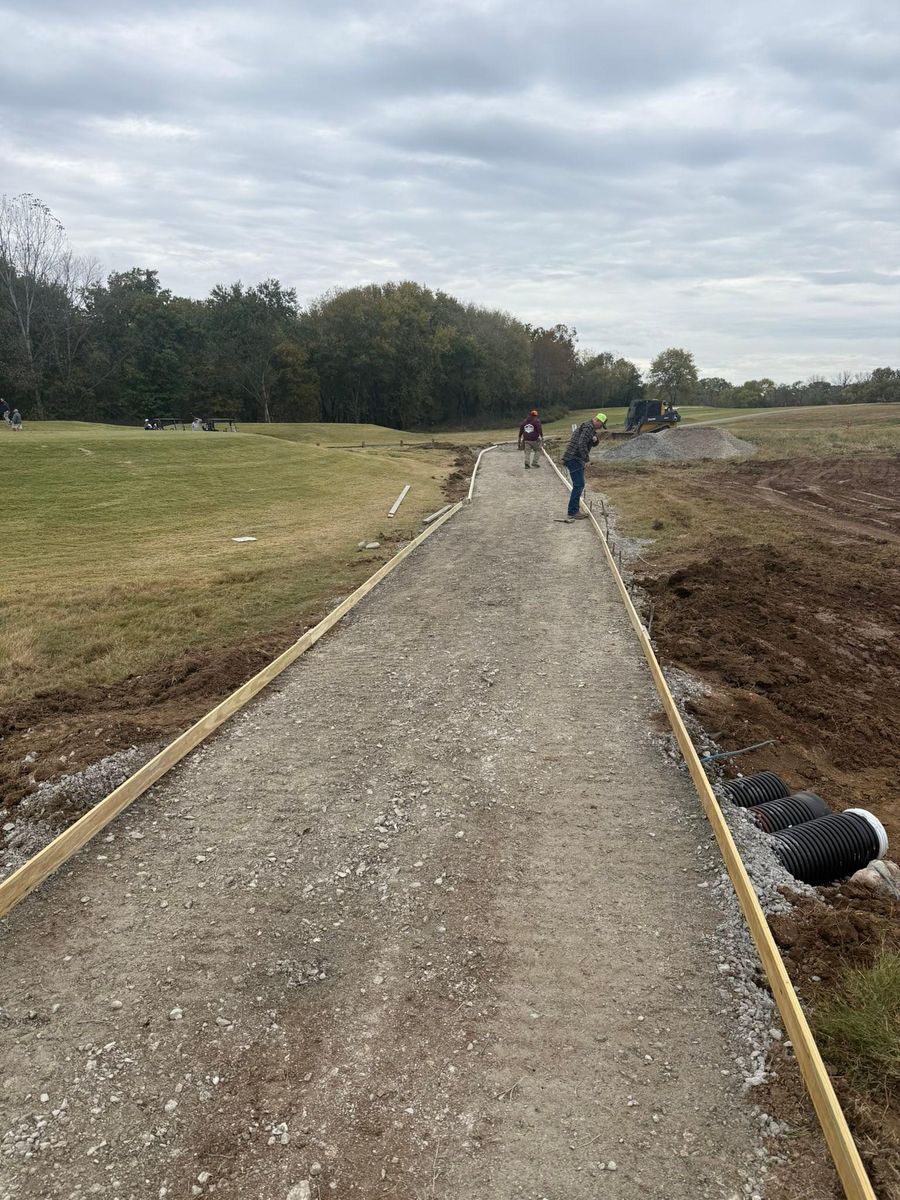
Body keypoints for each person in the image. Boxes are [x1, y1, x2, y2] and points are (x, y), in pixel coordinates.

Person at [562, 412, 606, 522]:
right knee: (579, 484)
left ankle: (573, 510)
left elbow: (588, 442)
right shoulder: (588, 428)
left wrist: (595, 440)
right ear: (597, 421)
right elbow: (581, 444)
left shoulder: (589, 428)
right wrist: (587, 459)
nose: (600, 428)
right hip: (574, 458)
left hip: (574, 458)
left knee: (579, 484)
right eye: (601, 425)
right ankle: (572, 512)